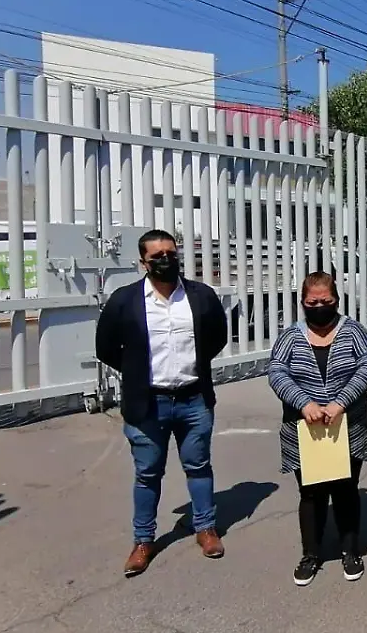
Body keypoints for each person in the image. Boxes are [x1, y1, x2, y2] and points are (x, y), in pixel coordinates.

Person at [96, 229, 228, 577]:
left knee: (199, 466)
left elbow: (217, 336)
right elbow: (105, 347)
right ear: (144, 262)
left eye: (171, 253)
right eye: (157, 256)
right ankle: (143, 541)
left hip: (193, 399)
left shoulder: (200, 296)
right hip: (147, 403)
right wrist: (136, 371)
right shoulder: (125, 300)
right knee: (147, 474)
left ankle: (206, 528)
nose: (166, 259)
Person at [268, 272, 367, 586]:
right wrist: (303, 403)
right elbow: (276, 370)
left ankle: (350, 550)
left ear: (337, 300)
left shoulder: (353, 331)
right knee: (311, 493)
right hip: (305, 428)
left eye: (325, 301)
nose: (319, 307)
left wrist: (341, 401)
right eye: (312, 302)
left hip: (348, 424)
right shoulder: (291, 336)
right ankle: (311, 554)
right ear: (302, 303)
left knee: (345, 489)